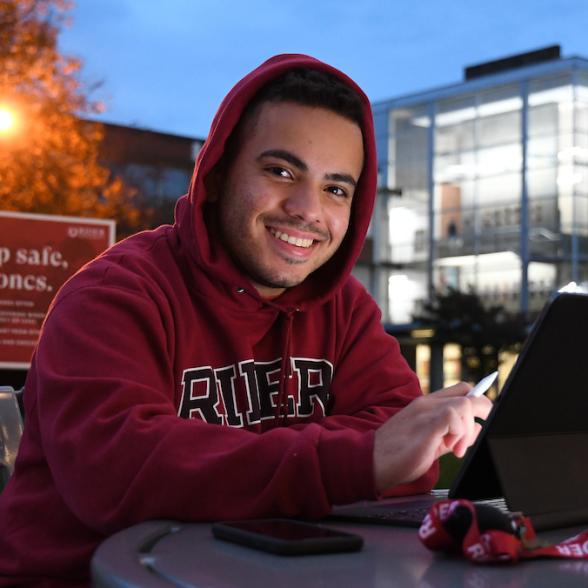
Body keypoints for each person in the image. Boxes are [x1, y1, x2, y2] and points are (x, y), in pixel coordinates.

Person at [0, 54, 491, 586]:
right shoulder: (113, 296)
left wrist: (368, 455)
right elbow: (119, 476)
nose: (307, 209)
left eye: (335, 189)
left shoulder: (343, 307)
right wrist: (354, 458)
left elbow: (408, 459)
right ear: (219, 169)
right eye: (281, 171)